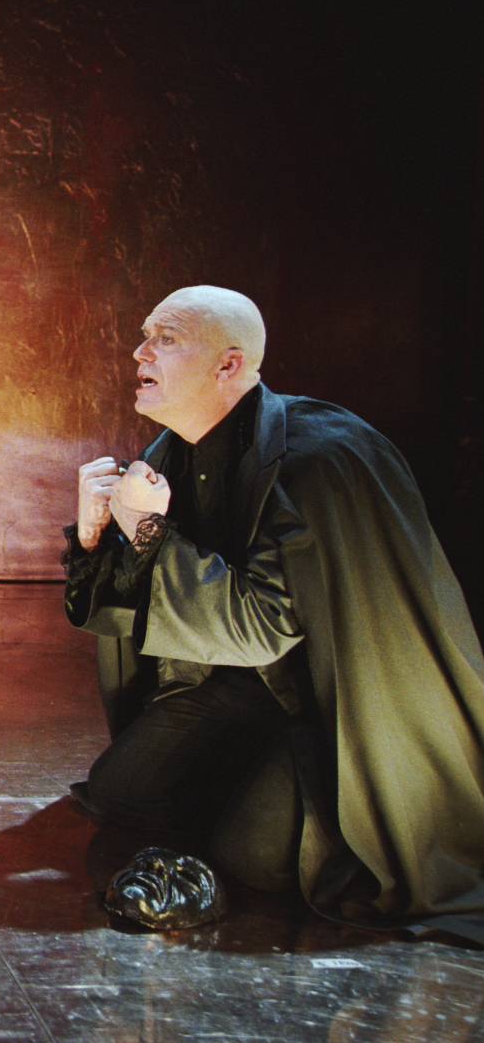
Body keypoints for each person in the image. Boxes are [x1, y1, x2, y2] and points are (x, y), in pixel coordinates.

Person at [62, 285, 484, 940]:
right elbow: (131, 609)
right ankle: (247, 782)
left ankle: (271, 797)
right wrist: (94, 537)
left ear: (228, 364)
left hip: (333, 709)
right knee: (120, 792)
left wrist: (147, 531)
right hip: (240, 687)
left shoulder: (320, 460)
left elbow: (262, 627)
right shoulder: (169, 453)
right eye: (145, 336)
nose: (139, 352)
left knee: (247, 858)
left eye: (164, 339)